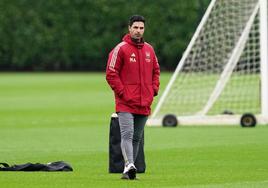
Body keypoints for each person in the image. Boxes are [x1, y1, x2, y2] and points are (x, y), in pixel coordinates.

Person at [106, 15, 160, 180]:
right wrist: (123, 93)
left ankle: (127, 171)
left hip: (144, 102)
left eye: (141, 28)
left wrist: (153, 91)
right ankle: (130, 164)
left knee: (137, 138)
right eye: (135, 27)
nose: (138, 31)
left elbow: (156, 71)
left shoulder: (149, 49)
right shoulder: (120, 49)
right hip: (125, 103)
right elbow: (111, 73)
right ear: (129, 28)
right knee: (127, 134)